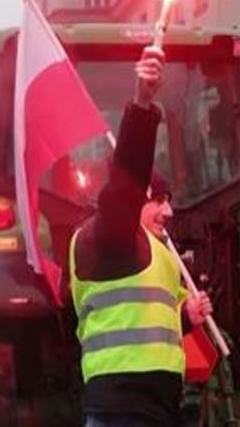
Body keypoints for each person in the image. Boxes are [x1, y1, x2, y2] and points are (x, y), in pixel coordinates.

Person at [68, 46, 213, 427]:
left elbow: (144, 319)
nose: (168, 211)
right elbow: (126, 184)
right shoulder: (106, 237)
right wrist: (143, 105)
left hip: (158, 406)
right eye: (158, 201)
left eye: (169, 200)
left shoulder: (157, 251)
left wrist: (185, 315)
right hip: (121, 408)